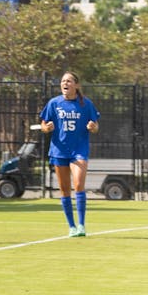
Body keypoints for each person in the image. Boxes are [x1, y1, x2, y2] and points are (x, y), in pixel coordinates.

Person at [39, 71, 100, 237]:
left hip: (79, 150)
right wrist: (47, 128)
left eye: (69, 81)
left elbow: (96, 126)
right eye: (63, 81)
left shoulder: (85, 104)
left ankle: (81, 225)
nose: (65, 83)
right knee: (65, 190)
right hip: (59, 151)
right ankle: (72, 226)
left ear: (76, 85)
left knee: (79, 184)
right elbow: (43, 125)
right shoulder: (54, 103)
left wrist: (93, 127)